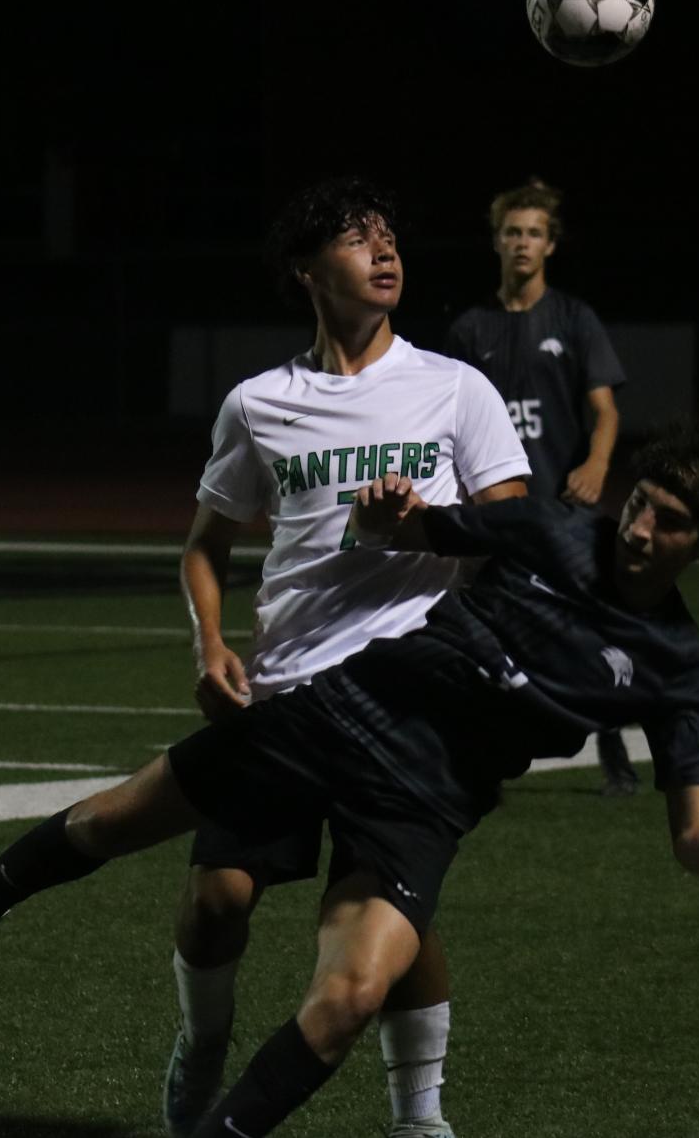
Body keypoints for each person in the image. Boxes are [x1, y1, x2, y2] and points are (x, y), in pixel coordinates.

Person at [0, 396, 699, 1138]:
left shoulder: (680, 669)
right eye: (641, 502)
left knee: (348, 999)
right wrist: (396, 512)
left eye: (670, 522)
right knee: (114, 822)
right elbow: (418, 533)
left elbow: (690, 831)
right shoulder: (555, 531)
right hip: (339, 712)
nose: (640, 528)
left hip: (426, 796)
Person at [168, 177, 530, 1138]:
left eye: (389, 237)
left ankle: (420, 1116)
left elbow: (518, 529)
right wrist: (209, 644)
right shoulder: (260, 403)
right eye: (356, 239)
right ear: (305, 271)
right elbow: (206, 544)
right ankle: (202, 1041)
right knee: (213, 902)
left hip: (410, 704)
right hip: (287, 697)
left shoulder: (454, 387)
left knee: (389, 911)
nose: (383, 252)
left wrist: (422, 527)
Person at [444, 178, 642, 797]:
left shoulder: (574, 319)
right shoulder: (468, 329)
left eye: (533, 233)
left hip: (559, 505)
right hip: (495, 512)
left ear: (550, 245)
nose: (522, 243)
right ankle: (484, 760)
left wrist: (599, 465)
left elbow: (605, 411)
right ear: (496, 243)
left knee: (585, 631)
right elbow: (445, 424)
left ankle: (612, 745)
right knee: (484, 635)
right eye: (512, 233)